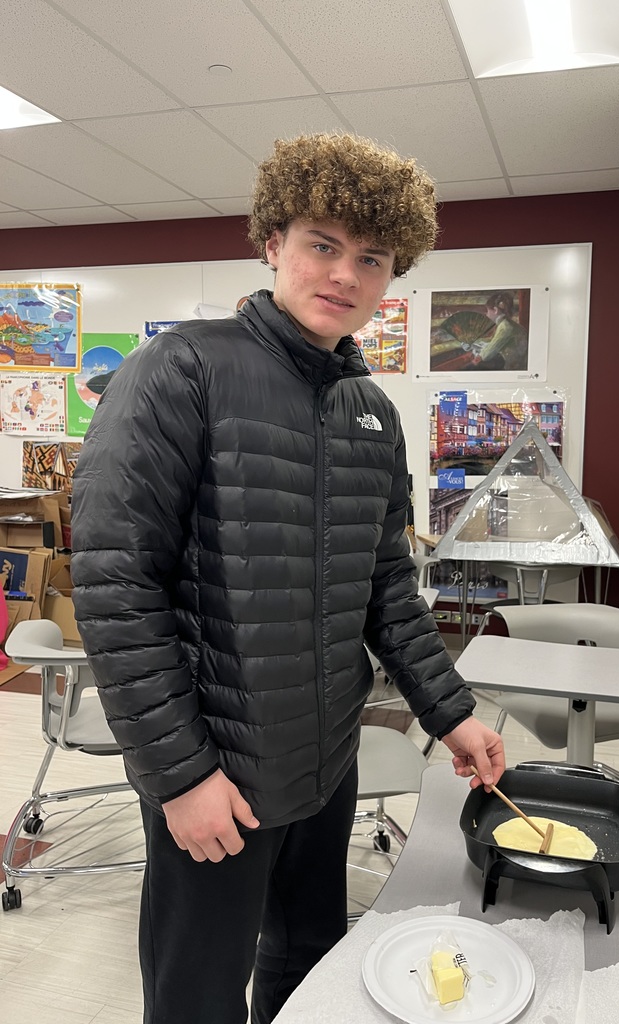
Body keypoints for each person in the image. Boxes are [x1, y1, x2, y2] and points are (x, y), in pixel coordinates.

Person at [70, 132, 505, 1024]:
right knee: (197, 996)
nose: (344, 274)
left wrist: (450, 712)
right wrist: (180, 776)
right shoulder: (181, 370)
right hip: (218, 769)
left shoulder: (372, 413)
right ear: (273, 243)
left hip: (326, 763)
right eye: (322, 244)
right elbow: (116, 586)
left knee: (309, 972)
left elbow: (387, 587)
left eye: (371, 258)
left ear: (392, 277)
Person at [472, 290, 529, 370]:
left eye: (488, 311)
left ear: (495, 310)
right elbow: (493, 340)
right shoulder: (508, 324)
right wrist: (476, 341)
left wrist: (477, 359)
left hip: (514, 366)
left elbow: (490, 351)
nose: (486, 314)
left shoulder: (505, 326)